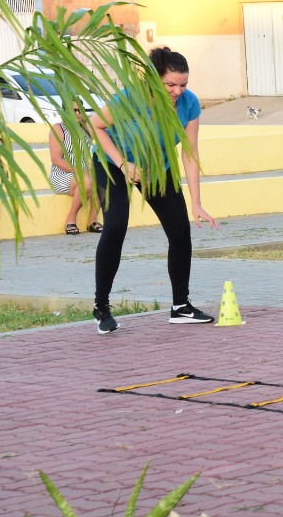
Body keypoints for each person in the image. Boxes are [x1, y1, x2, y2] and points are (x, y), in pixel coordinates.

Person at [89, 46, 217, 334]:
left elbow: (190, 153)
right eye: (171, 84)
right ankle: (101, 307)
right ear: (154, 79)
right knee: (116, 225)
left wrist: (197, 203)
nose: (178, 90)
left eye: (183, 84)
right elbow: (96, 125)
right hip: (113, 163)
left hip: (155, 167)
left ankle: (181, 307)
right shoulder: (132, 97)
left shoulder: (189, 104)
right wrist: (123, 164)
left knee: (180, 231)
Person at [48, 107, 101, 235]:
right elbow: (56, 159)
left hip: (84, 174)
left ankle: (92, 221)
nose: (77, 113)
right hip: (62, 174)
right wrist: (81, 173)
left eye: (80, 110)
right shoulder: (58, 129)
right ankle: (71, 218)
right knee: (87, 181)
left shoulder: (86, 128)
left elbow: (101, 140)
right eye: (74, 110)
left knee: (101, 180)